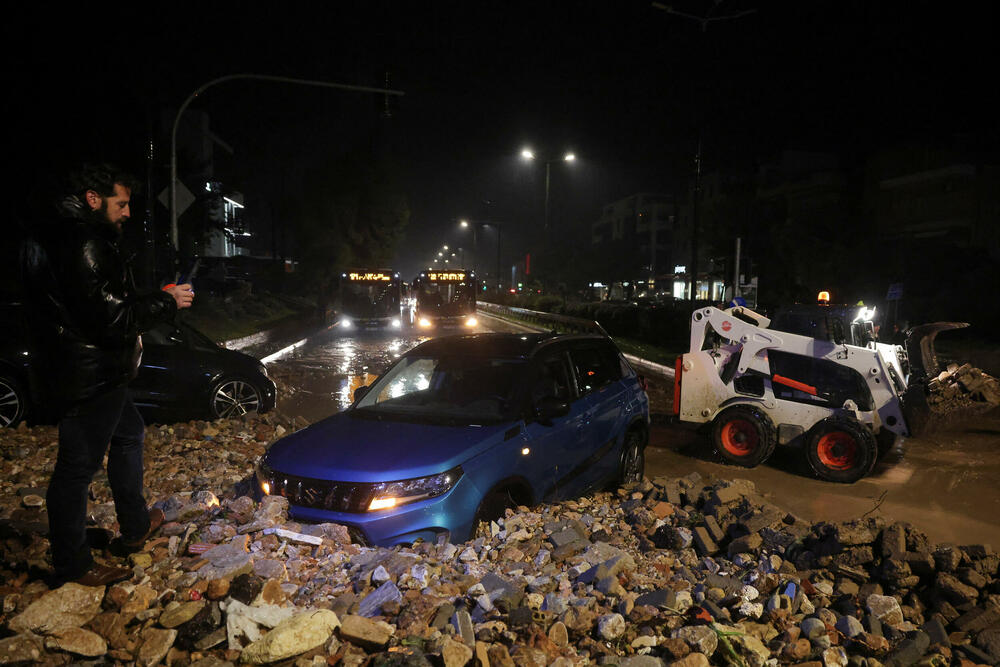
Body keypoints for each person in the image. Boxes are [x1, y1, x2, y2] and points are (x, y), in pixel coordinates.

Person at [20, 163, 194, 587]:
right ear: (93, 199)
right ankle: (73, 566)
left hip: (92, 368)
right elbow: (113, 318)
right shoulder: (85, 242)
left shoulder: (56, 235)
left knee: (129, 432)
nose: (129, 212)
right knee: (76, 469)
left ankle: (135, 526)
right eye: (122, 203)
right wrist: (166, 301)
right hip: (91, 372)